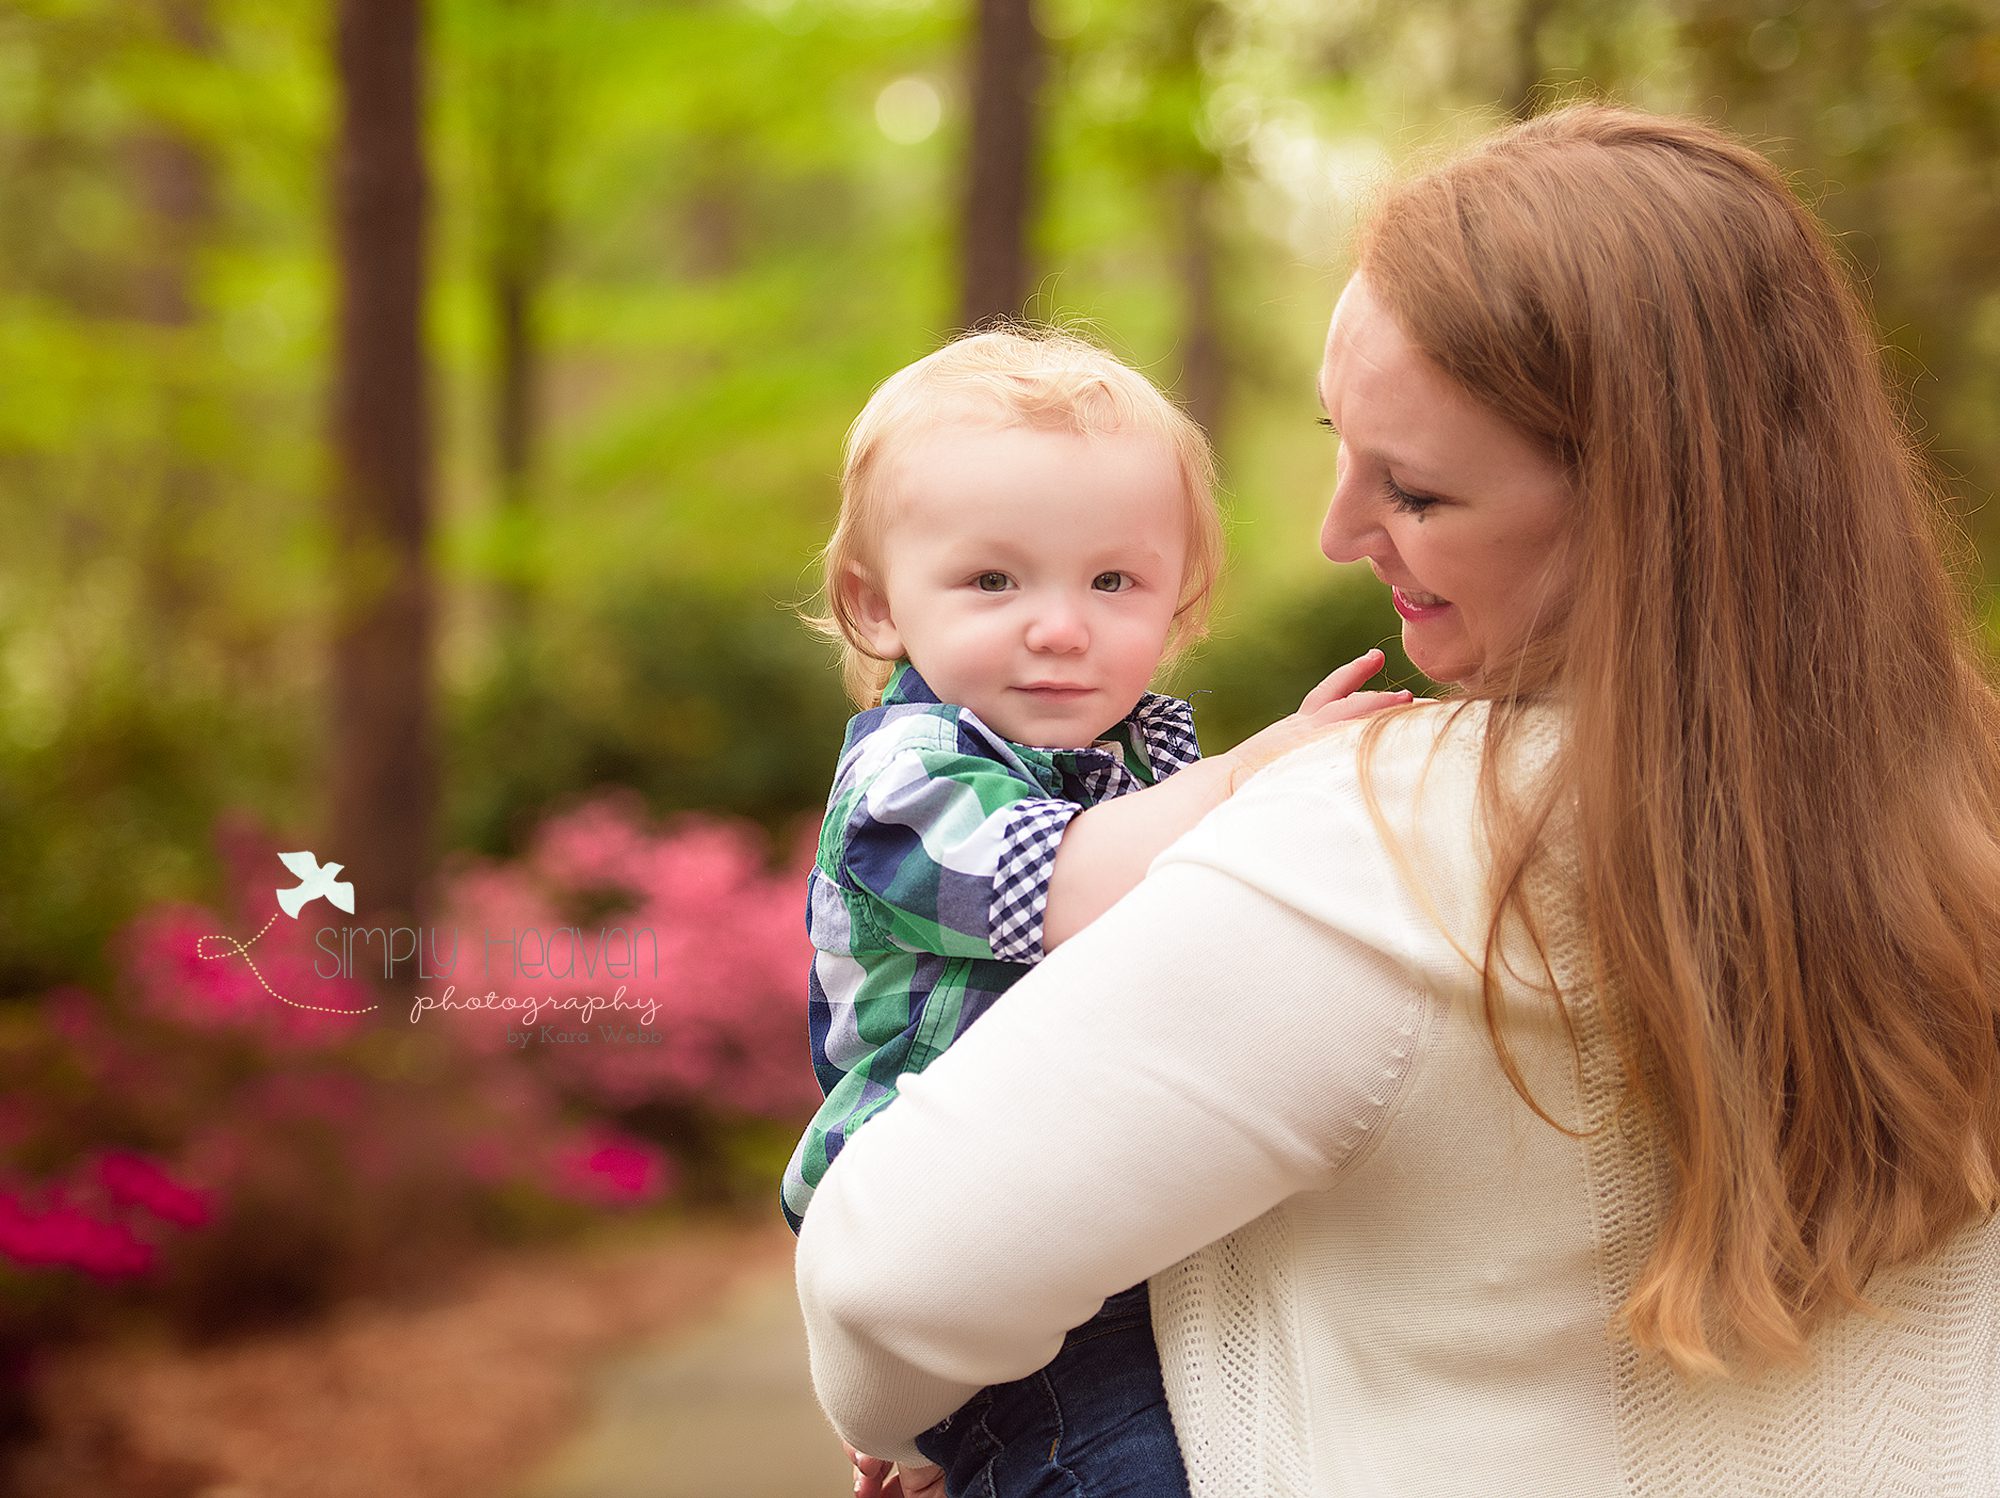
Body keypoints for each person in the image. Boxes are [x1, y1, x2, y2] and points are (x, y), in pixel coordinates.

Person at [795, 103, 2000, 1496]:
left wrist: (909, 1422)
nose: (1335, 531)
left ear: (1643, 505)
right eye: (1338, 443)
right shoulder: (1955, 797)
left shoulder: (1387, 843)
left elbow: (887, 1281)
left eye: (1416, 491)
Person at [783, 327, 1410, 1497]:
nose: (1060, 625)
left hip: (1111, 1212)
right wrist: (1260, 767)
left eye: (1112, 581)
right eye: (991, 580)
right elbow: (1065, 879)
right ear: (876, 606)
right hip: (969, 1223)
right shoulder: (902, 783)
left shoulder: (1134, 759)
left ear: (1180, 603)